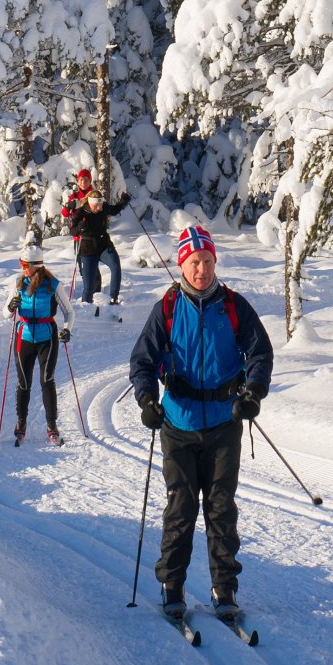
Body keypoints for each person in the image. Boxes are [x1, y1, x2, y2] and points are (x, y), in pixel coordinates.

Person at [127, 224, 273, 620]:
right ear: (182, 265)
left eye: (207, 262)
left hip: (225, 424)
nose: (202, 270)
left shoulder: (233, 305)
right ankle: (171, 585)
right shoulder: (169, 308)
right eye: (194, 263)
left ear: (215, 262)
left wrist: (252, 393)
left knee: (222, 508)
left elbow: (260, 353)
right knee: (182, 506)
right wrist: (147, 401)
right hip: (178, 424)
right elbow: (142, 360)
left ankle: (224, 590)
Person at [6, 240, 74, 444]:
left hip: (47, 336)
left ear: (36, 265)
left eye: (25, 264)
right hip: (24, 335)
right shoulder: (18, 283)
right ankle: (21, 423)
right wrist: (11, 306)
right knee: (23, 382)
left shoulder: (53, 285)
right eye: (21, 263)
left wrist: (66, 330)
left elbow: (69, 312)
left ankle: (52, 425)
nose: (22, 268)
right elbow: (4, 312)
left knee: (47, 380)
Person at [71, 185, 129, 309]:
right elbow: (73, 231)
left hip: (104, 245)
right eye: (96, 206)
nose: (99, 208)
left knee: (116, 267)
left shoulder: (103, 208)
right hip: (88, 249)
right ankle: (87, 307)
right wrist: (80, 227)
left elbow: (114, 210)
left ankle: (113, 300)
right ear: (90, 204)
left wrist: (124, 201)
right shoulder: (81, 212)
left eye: (100, 205)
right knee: (89, 286)